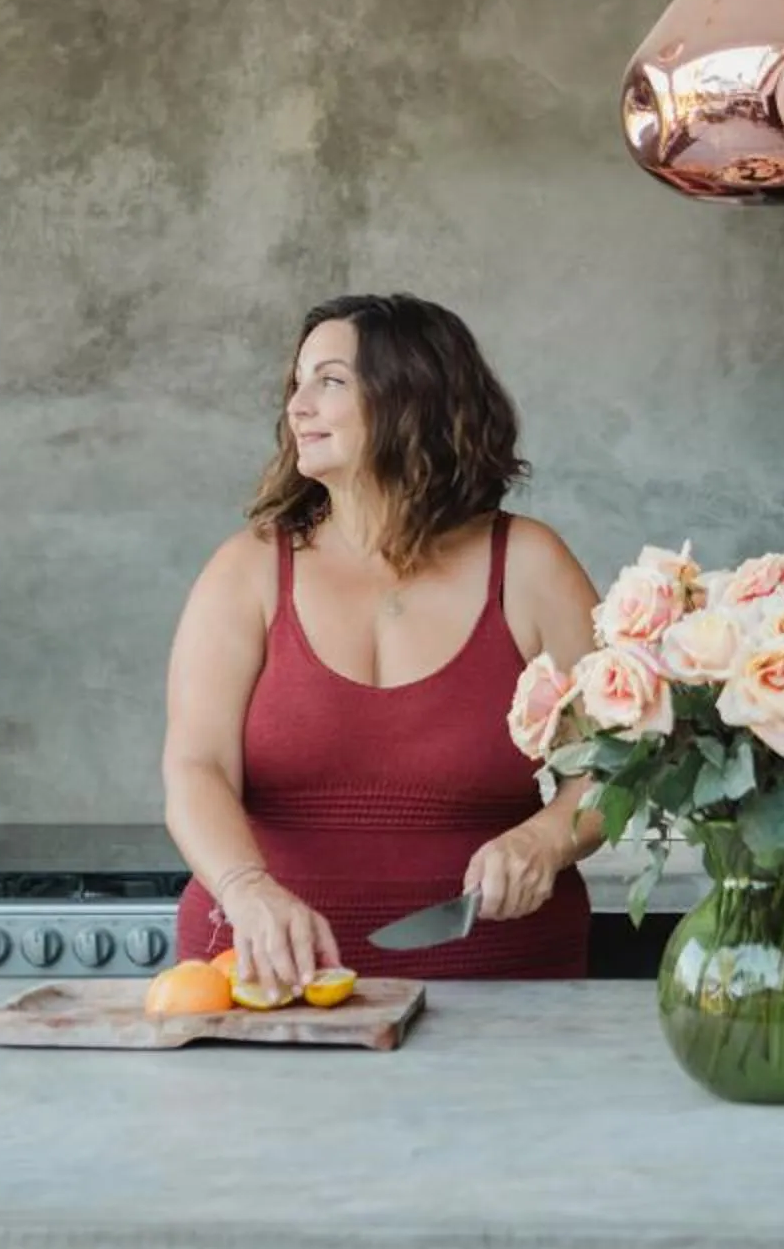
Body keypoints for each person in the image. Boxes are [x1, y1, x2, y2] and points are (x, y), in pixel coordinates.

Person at [164, 293, 600, 989]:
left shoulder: (530, 565)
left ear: (413, 397)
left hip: (506, 983)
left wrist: (549, 837)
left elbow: (619, 767)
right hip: (269, 983)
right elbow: (195, 770)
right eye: (296, 383)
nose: (297, 405)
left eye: (329, 381)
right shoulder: (246, 570)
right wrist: (245, 888)